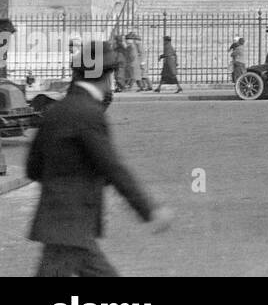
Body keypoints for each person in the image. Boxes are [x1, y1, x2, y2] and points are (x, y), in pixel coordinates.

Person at [26, 39, 173, 276]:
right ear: (107, 76)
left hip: (63, 225)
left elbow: (33, 168)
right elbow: (112, 167)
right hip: (72, 224)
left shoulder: (55, 111)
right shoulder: (89, 113)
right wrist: (149, 210)